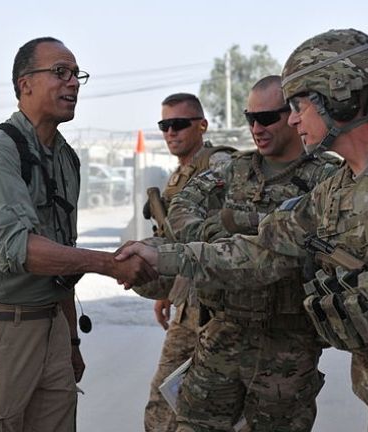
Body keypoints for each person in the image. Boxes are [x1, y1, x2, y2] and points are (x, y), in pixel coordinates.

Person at [117, 29, 368, 432]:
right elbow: (259, 251)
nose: (292, 119)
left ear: (339, 98)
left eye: (299, 104)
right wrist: (161, 256)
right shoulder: (334, 191)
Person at [0, 37, 155, 431]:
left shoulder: (64, 158)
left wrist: (71, 341)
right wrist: (109, 265)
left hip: (51, 331)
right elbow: (18, 250)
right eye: (60, 72)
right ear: (25, 83)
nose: (73, 83)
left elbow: (62, 256)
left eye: (77, 75)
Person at [163, 75, 338, 431]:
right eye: (250, 118)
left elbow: (312, 241)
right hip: (224, 331)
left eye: (267, 118)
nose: (257, 128)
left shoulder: (328, 177)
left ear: (292, 115)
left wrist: (245, 230)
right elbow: (181, 208)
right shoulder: (234, 169)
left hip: (288, 342)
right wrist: (215, 233)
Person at [140, 93, 233, 432]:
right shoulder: (179, 175)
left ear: (202, 126)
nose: (171, 133)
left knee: (215, 406)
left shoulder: (220, 163)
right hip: (187, 303)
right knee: (164, 398)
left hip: (220, 310)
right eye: (165, 125)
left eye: (179, 124)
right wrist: (168, 291)